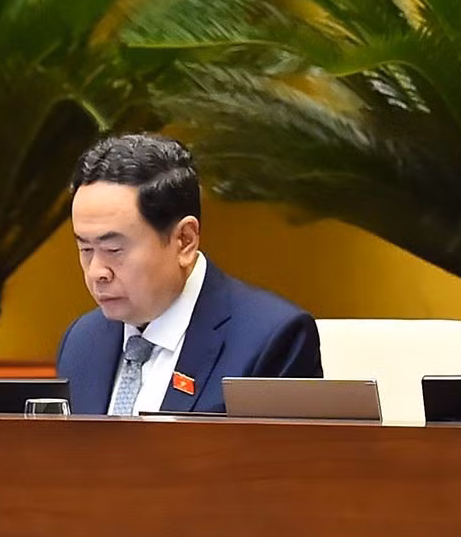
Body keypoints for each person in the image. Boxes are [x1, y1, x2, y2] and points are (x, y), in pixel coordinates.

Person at [56, 133, 322, 414]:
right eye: (85, 249)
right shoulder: (81, 341)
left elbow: (284, 458)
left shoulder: (272, 339)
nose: (97, 272)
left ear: (184, 240)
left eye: (114, 249)